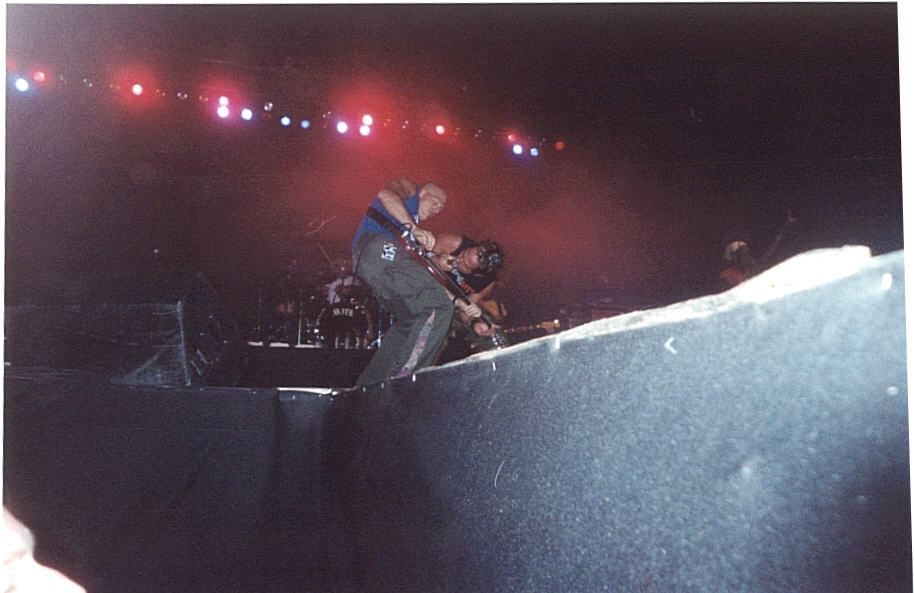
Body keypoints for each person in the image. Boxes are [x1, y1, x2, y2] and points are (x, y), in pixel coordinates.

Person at [350, 178, 482, 387]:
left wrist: (460, 302)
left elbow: (425, 279)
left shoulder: (411, 238)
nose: (438, 209)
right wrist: (414, 228)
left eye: (441, 207)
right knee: (439, 308)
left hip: (373, 266)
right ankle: (404, 384)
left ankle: (369, 386)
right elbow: (385, 194)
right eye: (436, 201)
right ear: (422, 193)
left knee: (412, 321)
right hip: (377, 247)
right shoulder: (410, 189)